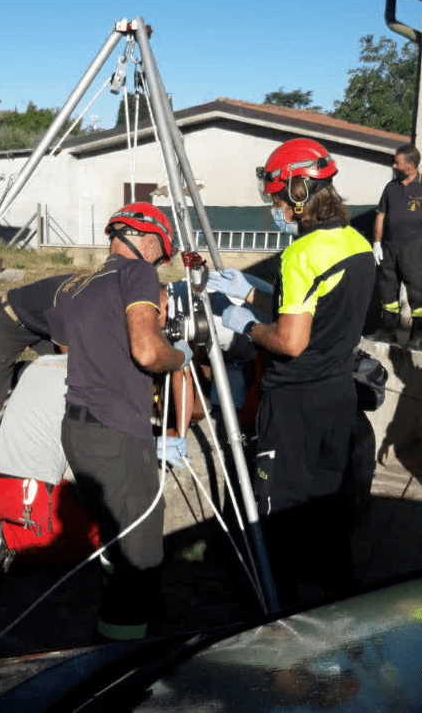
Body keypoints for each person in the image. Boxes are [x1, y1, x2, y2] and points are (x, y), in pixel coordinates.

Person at [209, 138, 375, 605]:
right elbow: (311, 310)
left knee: (278, 516)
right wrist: (249, 295)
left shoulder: (301, 254)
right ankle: (339, 610)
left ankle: (279, 623)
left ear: (300, 191)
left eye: (279, 198)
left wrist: (245, 324)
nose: (277, 209)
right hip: (338, 396)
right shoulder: (355, 243)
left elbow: (290, 339)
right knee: (329, 510)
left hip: (294, 406)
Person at [58, 202, 193, 641]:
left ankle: (126, 611)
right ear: (148, 240)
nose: (160, 264)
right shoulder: (137, 273)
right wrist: (180, 356)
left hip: (78, 429)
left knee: (117, 532)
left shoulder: (82, 282)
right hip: (116, 433)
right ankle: (122, 655)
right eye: (161, 255)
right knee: (139, 549)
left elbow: (67, 346)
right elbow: (149, 353)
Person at [0, 347, 100, 580]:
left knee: (16, 510)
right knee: (91, 537)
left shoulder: (41, 363)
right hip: (29, 491)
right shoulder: (94, 380)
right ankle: (6, 539)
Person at [0, 273, 77, 492]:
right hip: (9, 317)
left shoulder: (102, 295)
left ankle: (18, 374)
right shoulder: (78, 297)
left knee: (60, 377)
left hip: (43, 326)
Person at [371, 143, 422, 349]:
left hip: (415, 249)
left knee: (417, 293)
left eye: (397, 162)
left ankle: (418, 336)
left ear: (411, 165)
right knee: (387, 290)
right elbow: (380, 216)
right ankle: (388, 331)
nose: (393, 165)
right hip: (389, 248)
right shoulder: (390, 188)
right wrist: (376, 243)